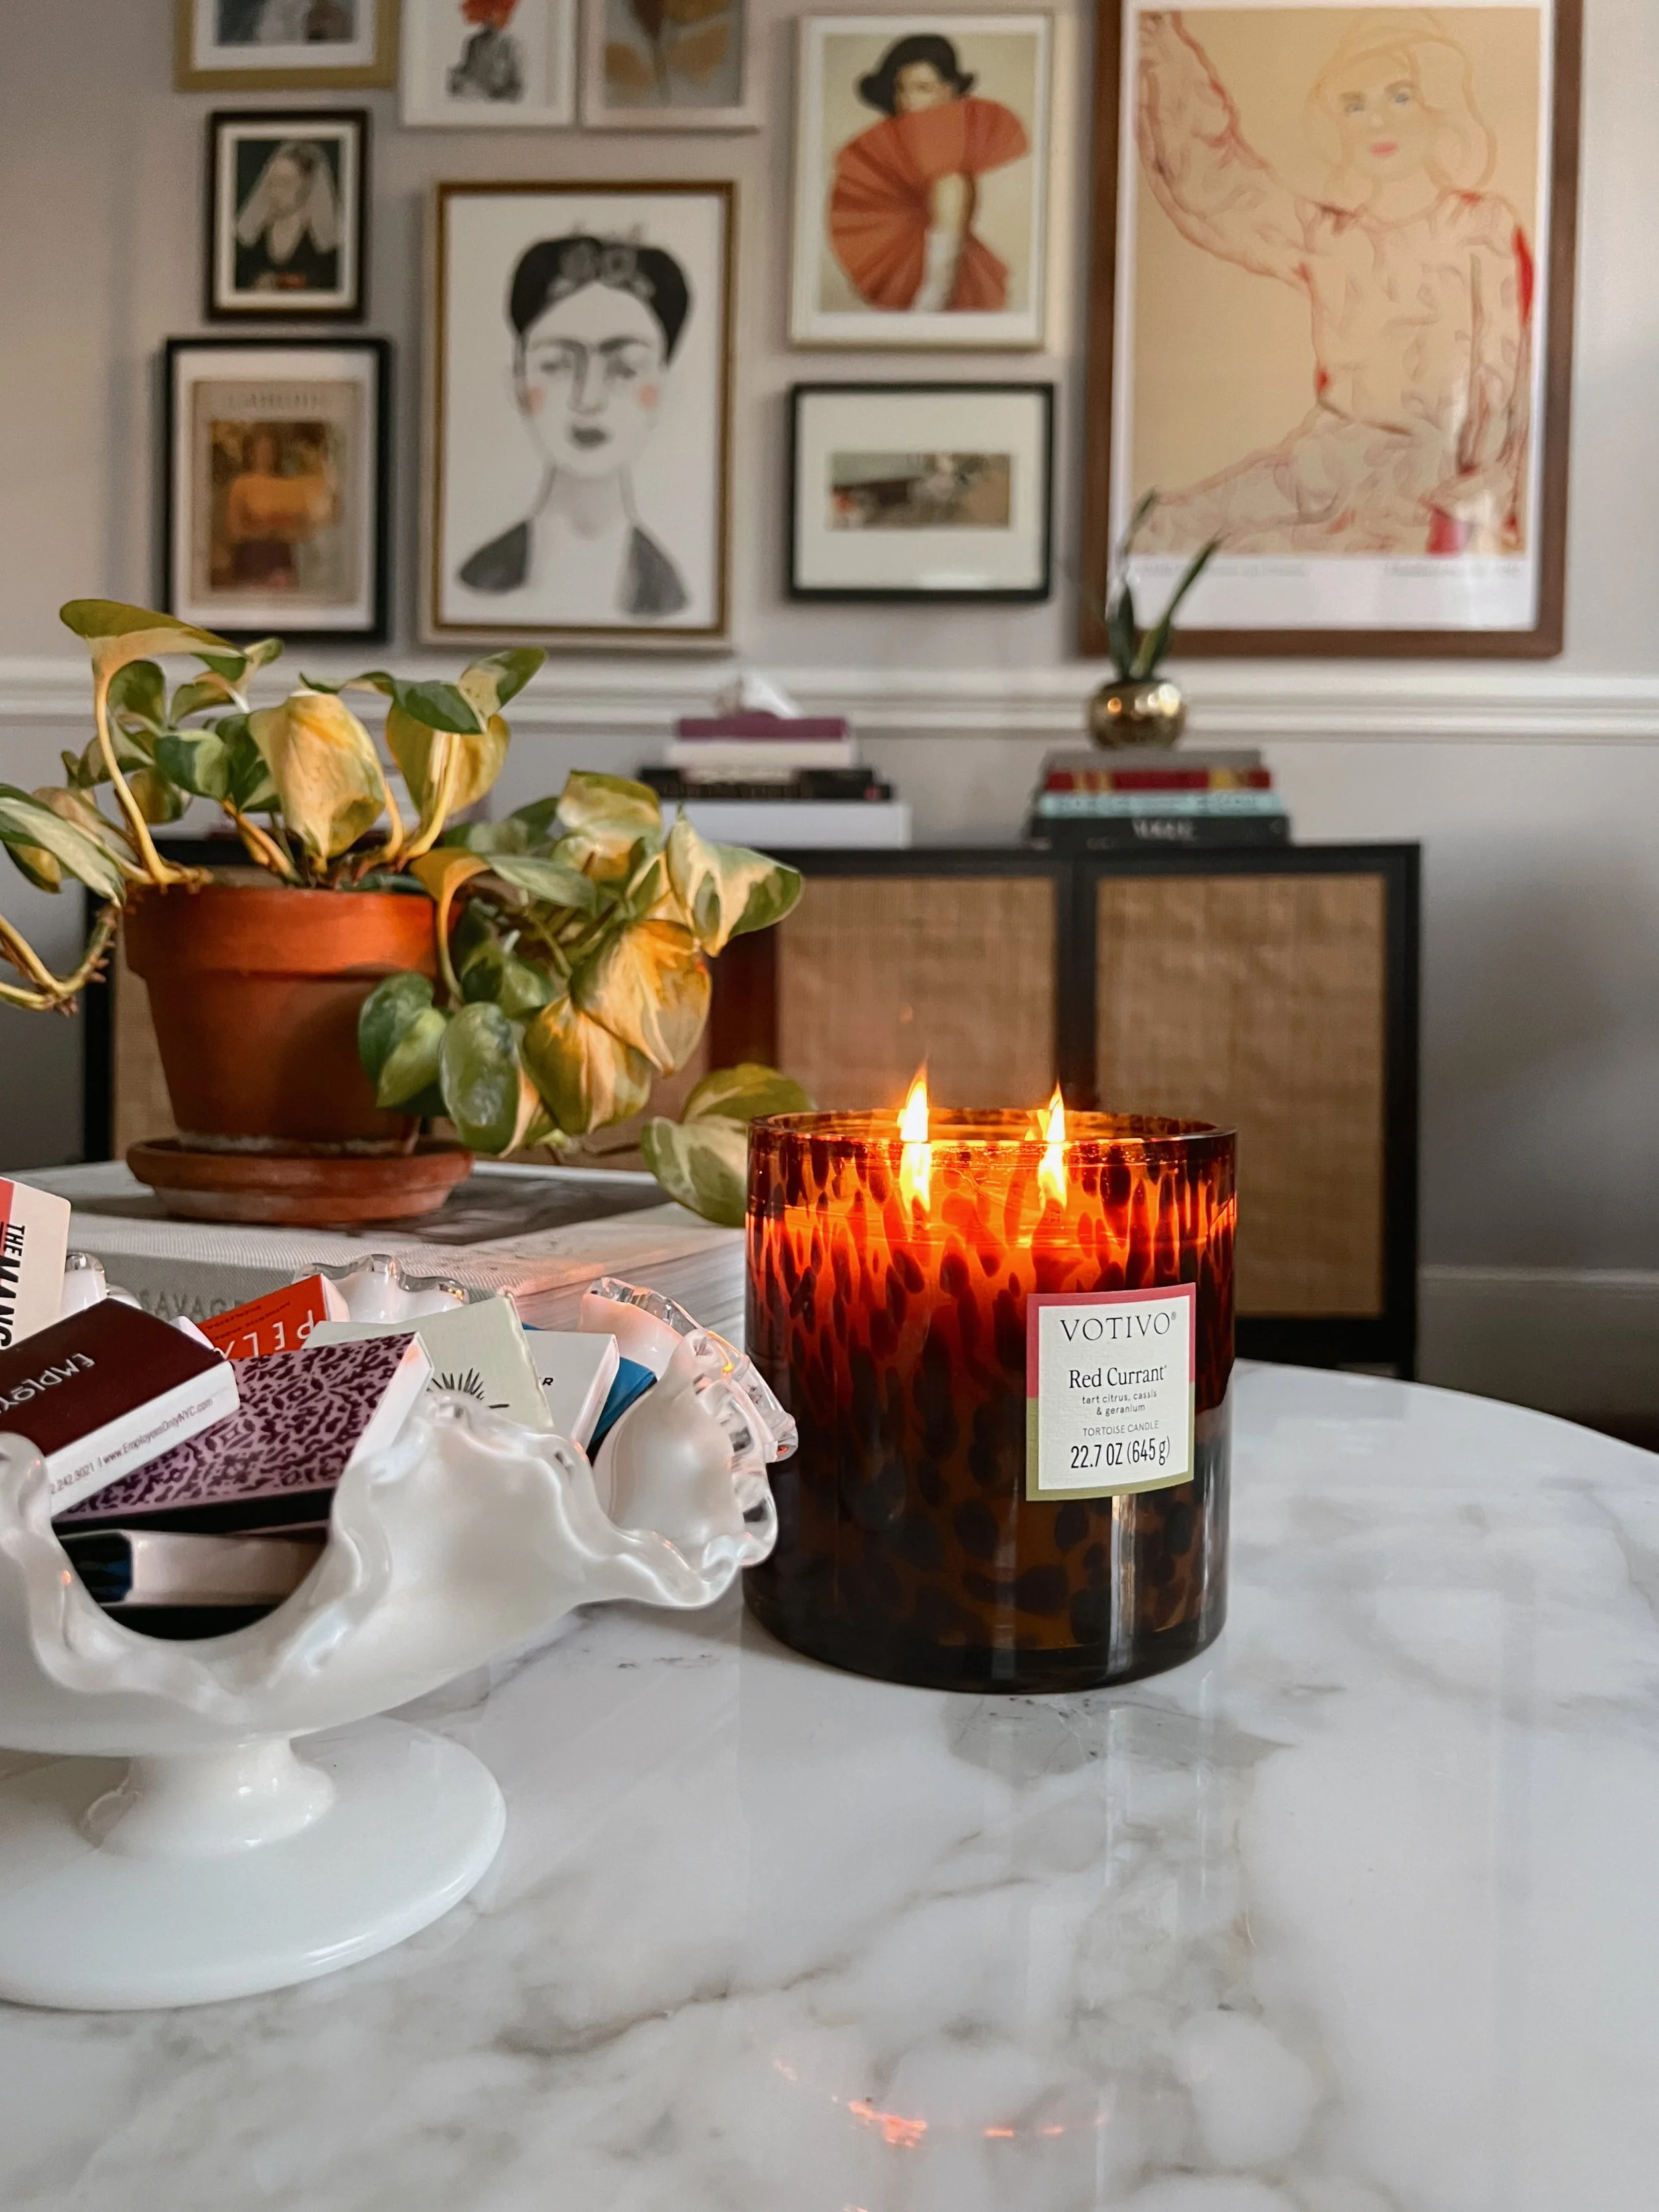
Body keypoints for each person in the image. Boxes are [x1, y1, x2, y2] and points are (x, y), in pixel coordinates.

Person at [1135, 8, 1532, 556]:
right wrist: (1161, 49)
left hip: (1427, 482)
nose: (1377, 123)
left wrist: (1476, 497)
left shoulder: (1481, 226)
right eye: (1355, 105)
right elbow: (1216, 186)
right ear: (1337, 124)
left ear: (1437, 106)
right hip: (1321, 466)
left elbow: (1503, 375)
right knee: (1161, 533)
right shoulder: (1330, 236)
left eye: (1400, 96)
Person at [458, 234, 691, 622]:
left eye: (625, 368)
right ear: (517, 385)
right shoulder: (479, 577)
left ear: (666, 392)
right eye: (557, 365)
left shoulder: (670, 593)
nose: (588, 399)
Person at [828, 32, 1029, 315]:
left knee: (950, 180)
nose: (908, 101)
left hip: (942, 274)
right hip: (907, 255)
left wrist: (934, 294)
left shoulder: (953, 164)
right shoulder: (899, 154)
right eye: (902, 88)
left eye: (923, 88)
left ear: (950, 90)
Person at [218, 427, 338, 592]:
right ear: (250, 452)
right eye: (260, 449)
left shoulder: (287, 484)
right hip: (253, 564)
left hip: (283, 564)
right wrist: (265, 531)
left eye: (269, 449)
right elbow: (234, 531)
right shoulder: (241, 484)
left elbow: (310, 522)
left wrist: (290, 530)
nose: (265, 455)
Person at [234, 141, 340, 297]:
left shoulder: (320, 241)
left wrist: (279, 282)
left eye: (286, 183)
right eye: (272, 183)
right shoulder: (259, 237)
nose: (276, 192)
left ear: (307, 186)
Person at [447, 0, 526, 102]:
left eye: (496, 11)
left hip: (500, 108)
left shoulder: (511, 45)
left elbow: (518, 87)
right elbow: (466, 74)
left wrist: (494, 100)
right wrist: (457, 79)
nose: (491, 16)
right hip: (473, 105)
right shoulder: (473, 43)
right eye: (487, 12)